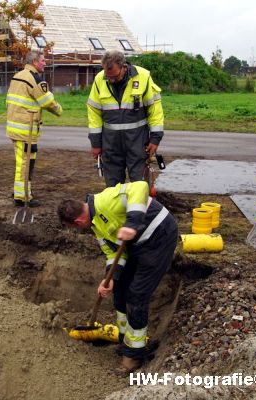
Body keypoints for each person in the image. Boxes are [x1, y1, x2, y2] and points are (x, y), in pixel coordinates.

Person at [57, 181, 178, 372]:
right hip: (136, 245)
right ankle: (125, 343)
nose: (79, 230)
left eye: (76, 228)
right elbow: (113, 253)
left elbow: (140, 186)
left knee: (137, 294)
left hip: (158, 237)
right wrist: (109, 278)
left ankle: (134, 357)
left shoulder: (106, 200)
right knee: (120, 290)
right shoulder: (96, 226)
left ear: (78, 222)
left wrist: (132, 223)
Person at [87, 50, 164, 186]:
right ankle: (117, 207)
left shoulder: (143, 77)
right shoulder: (100, 79)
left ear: (124, 67)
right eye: (107, 76)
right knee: (113, 186)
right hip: (110, 143)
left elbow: (155, 110)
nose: (111, 80)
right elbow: (94, 112)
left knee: (139, 185)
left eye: (114, 77)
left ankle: (139, 207)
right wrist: (96, 143)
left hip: (138, 141)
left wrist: (155, 138)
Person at [6, 50, 63, 207]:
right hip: (26, 129)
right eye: (43, 60)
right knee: (26, 163)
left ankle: (20, 192)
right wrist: (59, 110)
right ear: (35, 62)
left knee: (22, 162)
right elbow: (47, 102)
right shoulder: (34, 78)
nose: (45, 63)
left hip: (15, 127)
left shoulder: (17, 76)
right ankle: (23, 196)